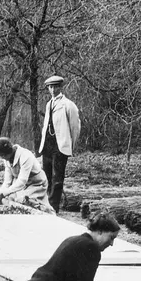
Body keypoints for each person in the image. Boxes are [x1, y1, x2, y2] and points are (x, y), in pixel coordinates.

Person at [37, 74, 80, 214]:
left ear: (60, 87)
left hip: (60, 145)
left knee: (57, 178)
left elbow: (75, 127)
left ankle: (54, 207)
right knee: (46, 175)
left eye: (55, 86)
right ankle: (46, 203)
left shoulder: (68, 105)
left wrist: (70, 146)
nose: (53, 89)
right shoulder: (49, 104)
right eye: (50, 87)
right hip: (48, 144)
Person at [0, 136, 52, 213]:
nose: (3, 158)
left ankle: (45, 211)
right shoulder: (7, 159)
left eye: (2, 156)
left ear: (5, 154)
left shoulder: (25, 156)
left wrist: (3, 193)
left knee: (24, 200)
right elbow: (7, 181)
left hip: (36, 183)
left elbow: (22, 181)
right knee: (10, 199)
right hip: (20, 184)